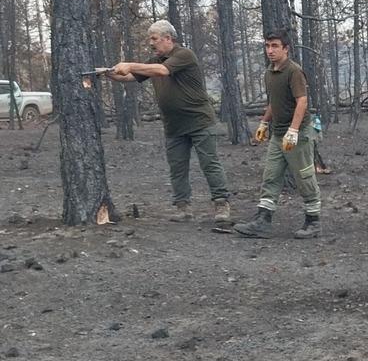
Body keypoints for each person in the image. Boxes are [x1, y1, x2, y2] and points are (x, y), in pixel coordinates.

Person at [107, 20, 231, 225]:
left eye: (154, 38)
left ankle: (221, 205)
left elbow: (162, 71)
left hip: (199, 122)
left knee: (210, 164)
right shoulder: (155, 60)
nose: (151, 43)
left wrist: (130, 64)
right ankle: (183, 208)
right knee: (177, 167)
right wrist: (109, 73)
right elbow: (130, 77)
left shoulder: (183, 55)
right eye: (150, 39)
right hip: (174, 126)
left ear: (168, 38)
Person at [234, 29, 322, 239]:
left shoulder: (294, 71)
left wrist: (293, 130)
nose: (270, 50)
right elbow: (274, 101)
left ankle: (313, 221)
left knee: (304, 175)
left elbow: (302, 101)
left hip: (298, 133)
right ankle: (263, 221)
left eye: (275, 46)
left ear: (286, 49)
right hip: (278, 134)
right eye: (267, 46)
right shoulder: (269, 73)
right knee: (271, 175)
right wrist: (264, 122)